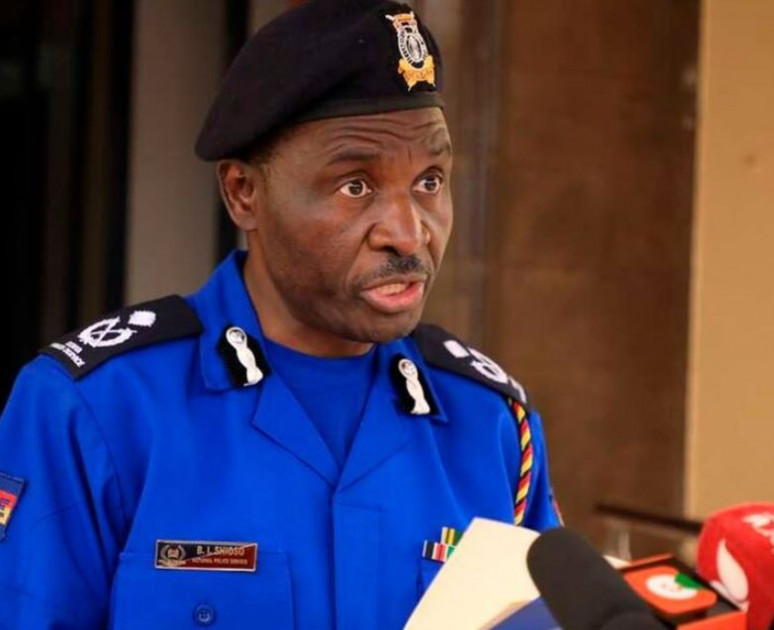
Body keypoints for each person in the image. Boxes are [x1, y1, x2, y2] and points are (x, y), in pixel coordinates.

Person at [0, 0, 561, 628]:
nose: (409, 234)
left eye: (430, 180)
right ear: (244, 193)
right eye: (356, 186)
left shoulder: (491, 423)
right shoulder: (96, 410)